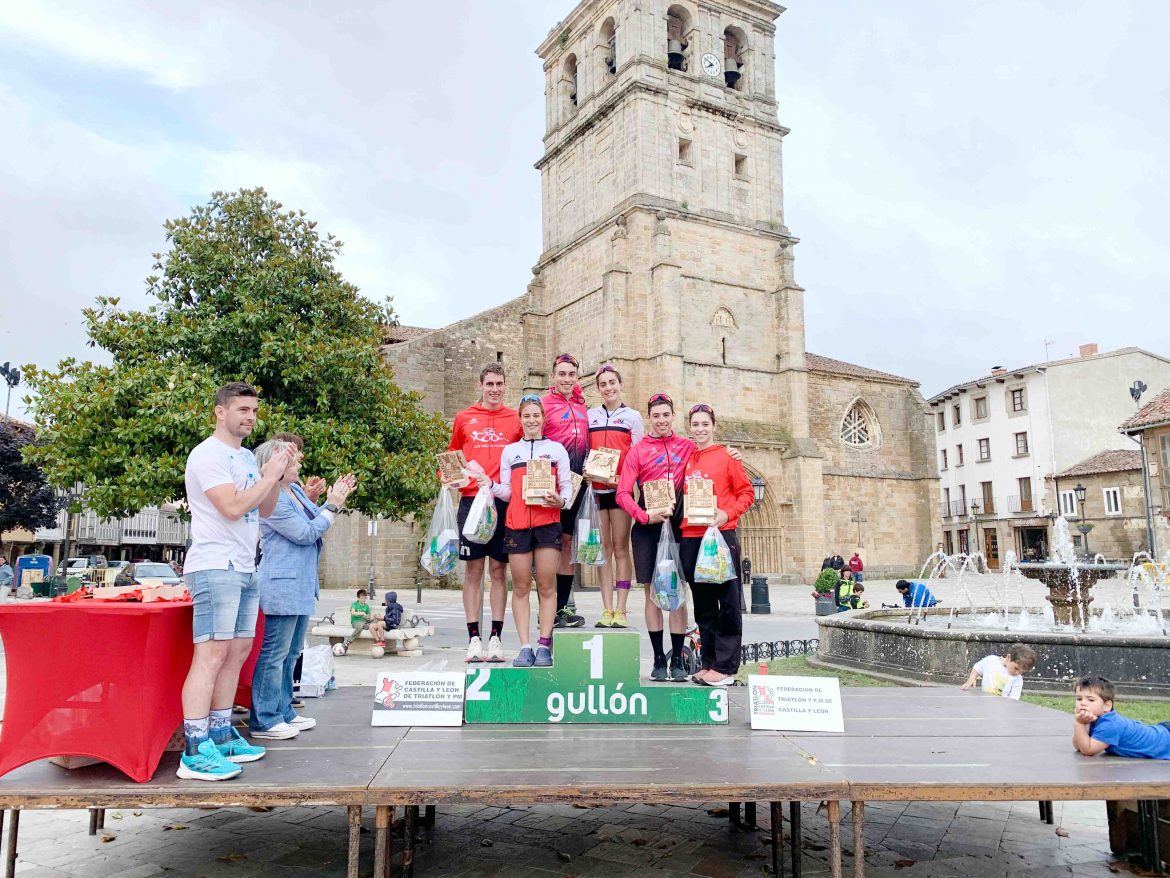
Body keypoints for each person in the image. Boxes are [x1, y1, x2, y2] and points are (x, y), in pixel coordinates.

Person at [179, 382, 292, 781]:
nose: (250, 417)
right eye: (243, 409)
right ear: (220, 412)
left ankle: (222, 732)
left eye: (254, 411)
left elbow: (264, 509)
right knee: (211, 654)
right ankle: (194, 749)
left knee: (237, 652)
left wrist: (276, 478)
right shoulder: (206, 454)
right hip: (215, 564)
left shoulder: (244, 457)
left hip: (245, 564)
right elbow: (230, 507)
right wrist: (268, 477)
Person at [250, 437, 355, 740]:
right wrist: (332, 506)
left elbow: (315, 518)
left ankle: (283, 710)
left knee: (292, 652)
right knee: (275, 653)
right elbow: (306, 533)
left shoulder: (294, 490)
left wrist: (330, 501)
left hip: (301, 583)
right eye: (292, 459)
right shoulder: (272, 498)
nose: (298, 462)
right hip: (282, 584)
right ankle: (264, 718)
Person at [474, 395, 573, 668]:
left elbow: (567, 486)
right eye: (526, 416)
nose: (531, 420)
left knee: (546, 586)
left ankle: (544, 645)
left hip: (547, 524)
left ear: (543, 418)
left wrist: (561, 501)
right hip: (517, 525)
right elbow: (507, 492)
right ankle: (525, 647)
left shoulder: (556, 450)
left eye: (536, 415)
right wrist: (490, 484)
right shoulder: (510, 451)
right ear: (520, 419)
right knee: (520, 587)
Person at [443, 363, 521, 663]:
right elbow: (451, 456)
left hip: (501, 501)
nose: (494, 389)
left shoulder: (515, 419)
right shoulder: (464, 417)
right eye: (489, 384)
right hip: (471, 502)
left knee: (499, 571)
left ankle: (496, 638)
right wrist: (446, 476)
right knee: (473, 571)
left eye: (499, 384)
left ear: (505, 386)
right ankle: (474, 638)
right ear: (480, 386)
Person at [678, 403, 754, 687]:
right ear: (689, 427)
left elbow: (747, 493)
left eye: (705, 424)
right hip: (691, 535)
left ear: (714, 426)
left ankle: (725, 667)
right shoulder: (687, 457)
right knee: (703, 605)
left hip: (720, 534)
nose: (700, 429)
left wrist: (726, 514)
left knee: (727, 601)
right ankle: (708, 662)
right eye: (695, 424)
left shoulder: (727, 457)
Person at [588, 365, 644, 629]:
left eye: (612, 382)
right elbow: (585, 450)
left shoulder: (632, 417)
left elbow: (638, 455)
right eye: (603, 384)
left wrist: (623, 481)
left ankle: (621, 609)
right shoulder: (591, 416)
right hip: (597, 492)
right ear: (598, 388)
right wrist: (587, 470)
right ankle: (606, 608)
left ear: (620, 385)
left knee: (621, 548)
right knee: (604, 550)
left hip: (620, 491)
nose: (608, 387)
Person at [541, 354, 589, 628]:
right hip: (550, 486)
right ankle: (546, 609)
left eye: (571, 374)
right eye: (562, 374)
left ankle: (562, 609)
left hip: (578, 485)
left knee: (569, 545)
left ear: (577, 378)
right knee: (548, 546)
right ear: (553, 377)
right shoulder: (543, 405)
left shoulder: (582, 407)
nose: (567, 379)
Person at [1072, 674, 1170, 759]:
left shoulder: (1109, 724)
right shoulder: (1093, 719)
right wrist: (1084, 724)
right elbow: (1078, 746)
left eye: (1091, 700)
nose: (1083, 703)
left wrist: (1079, 723)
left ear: (1107, 706)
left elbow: (1088, 750)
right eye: (1079, 699)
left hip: (1166, 741)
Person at [960, 644, 1036, 699]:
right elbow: (977, 667)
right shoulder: (991, 661)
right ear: (1008, 657)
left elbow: (1014, 699)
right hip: (984, 701)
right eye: (1016, 668)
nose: (1017, 673)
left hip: (1002, 708)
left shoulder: (1017, 680)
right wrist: (972, 679)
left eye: (1021, 672)